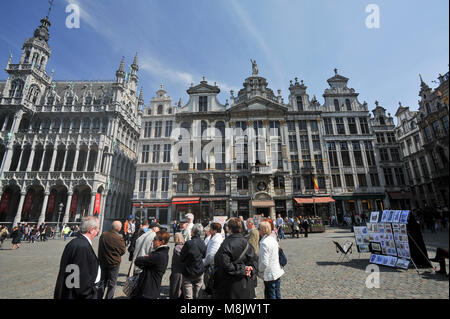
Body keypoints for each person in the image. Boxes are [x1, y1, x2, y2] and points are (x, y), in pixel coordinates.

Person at [54, 216, 102, 299]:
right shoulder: (82, 247)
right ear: (91, 230)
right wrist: (89, 294)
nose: (98, 231)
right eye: (97, 228)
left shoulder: (76, 242)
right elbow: (80, 278)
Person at [213, 217, 258, 299]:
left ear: (228, 229)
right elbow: (254, 261)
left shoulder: (226, 244)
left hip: (230, 286)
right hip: (246, 284)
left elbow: (223, 264)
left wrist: (244, 269)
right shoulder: (246, 242)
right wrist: (249, 270)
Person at [133, 231, 171, 299]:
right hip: (151, 288)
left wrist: (145, 257)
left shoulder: (158, 255)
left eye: (155, 239)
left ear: (162, 241)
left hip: (148, 290)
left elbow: (137, 261)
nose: (153, 241)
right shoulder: (162, 253)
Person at [98, 221, 127, 299]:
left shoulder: (103, 235)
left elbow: (100, 248)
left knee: (102, 282)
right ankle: (109, 297)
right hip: (114, 263)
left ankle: (99, 296)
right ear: (118, 228)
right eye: (121, 226)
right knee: (112, 283)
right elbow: (123, 251)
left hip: (103, 262)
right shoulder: (119, 238)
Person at [258, 221, 285, 299]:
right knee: (278, 294)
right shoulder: (273, 239)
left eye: (258, 228)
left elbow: (264, 262)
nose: (258, 230)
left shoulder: (264, 243)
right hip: (277, 271)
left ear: (262, 230)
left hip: (270, 274)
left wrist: (259, 270)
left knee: (271, 295)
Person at [180, 223, 207, 299]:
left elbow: (182, 257)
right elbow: (204, 255)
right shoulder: (202, 242)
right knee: (198, 294)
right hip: (199, 270)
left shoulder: (189, 243)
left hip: (189, 271)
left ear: (193, 231)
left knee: (188, 296)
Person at [203, 222, 224, 296]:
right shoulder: (214, 237)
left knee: (210, 284)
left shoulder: (216, 239)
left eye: (211, 229)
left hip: (212, 265)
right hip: (211, 264)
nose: (209, 230)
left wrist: (204, 262)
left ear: (215, 230)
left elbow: (211, 255)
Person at [169, 233, 185, 299]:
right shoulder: (184, 246)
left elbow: (179, 259)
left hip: (177, 270)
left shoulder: (177, 247)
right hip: (182, 270)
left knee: (175, 287)